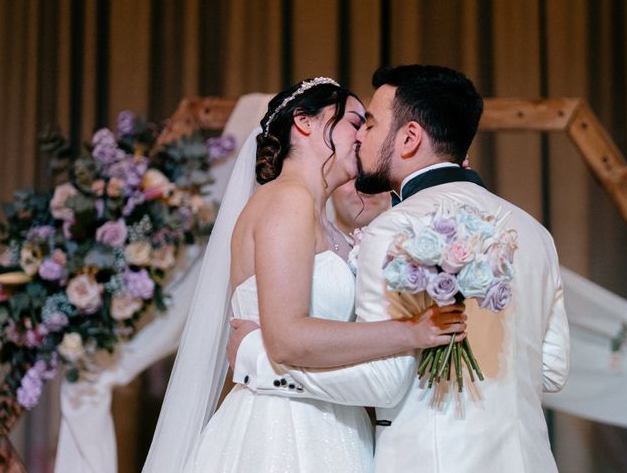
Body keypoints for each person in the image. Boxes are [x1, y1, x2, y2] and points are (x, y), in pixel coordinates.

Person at [230, 65, 570, 472]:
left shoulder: (395, 229)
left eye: (370, 124)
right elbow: (551, 371)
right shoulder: (535, 234)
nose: (361, 136)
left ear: (409, 138)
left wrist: (258, 361)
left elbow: (383, 382)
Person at [143, 77, 467, 472]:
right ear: (305, 122)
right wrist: (410, 332)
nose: (364, 136)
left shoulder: (329, 225)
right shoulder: (286, 199)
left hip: (336, 424)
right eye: (354, 122)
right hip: (281, 430)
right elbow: (288, 337)